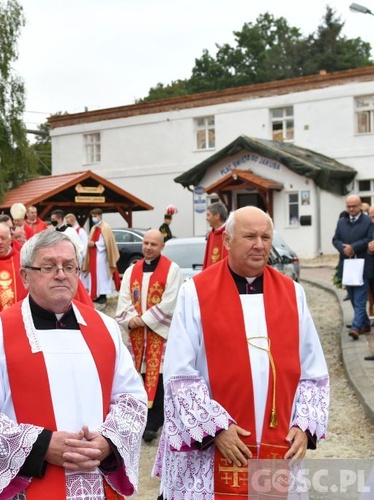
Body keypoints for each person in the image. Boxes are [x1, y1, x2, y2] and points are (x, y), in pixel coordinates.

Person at [0, 230, 148, 499]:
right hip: (30, 483)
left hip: (95, 481)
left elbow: (132, 398)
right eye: (48, 266)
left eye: (69, 266)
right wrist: (41, 445)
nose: (60, 274)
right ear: (24, 276)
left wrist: (108, 442)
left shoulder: (106, 328)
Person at [156, 206, 329, 499]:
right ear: (227, 241)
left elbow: (313, 372)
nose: (259, 245)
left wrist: (304, 427)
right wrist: (215, 430)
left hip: (277, 447)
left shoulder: (292, 293)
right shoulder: (195, 292)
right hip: (216, 449)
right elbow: (180, 374)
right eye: (250, 236)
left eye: (266, 237)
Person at [115, 229, 182, 443]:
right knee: (138, 375)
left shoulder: (172, 270)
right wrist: (131, 319)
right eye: (145, 243)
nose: (148, 247)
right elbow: (124, 299)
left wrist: (144, 320)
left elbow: (170, 302)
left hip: (158, 335)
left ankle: (154, 422)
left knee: (159, 375)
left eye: (154, 244)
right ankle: (140, 419)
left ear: (162, 246)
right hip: (137, 335)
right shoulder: (131, 270)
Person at [332, 194, 373, 340]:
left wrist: (353, 248)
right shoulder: (341, 222)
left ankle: (356, 327)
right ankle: (365, 324)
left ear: (360, 206)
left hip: (362, 264)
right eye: (348, 206)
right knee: (353, 297)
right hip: (347, 265)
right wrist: (343, 249)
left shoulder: (368, 221)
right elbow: (335, 239)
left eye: (354, 206)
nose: (351, 209)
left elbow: (369, 239)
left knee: (360, 297)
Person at [82, 208, 119, 304]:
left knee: (102, 276)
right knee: (95, 276)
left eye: (95, 216)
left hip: (103, 257)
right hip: (94, 256)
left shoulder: (105, 227)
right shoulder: (94, 228)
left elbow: (106, 242)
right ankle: (97, 294)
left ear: (100, 216)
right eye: (93, 216)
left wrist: (95, 244)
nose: (94, 218)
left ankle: (104, 295)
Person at [202, 201, 229, 270]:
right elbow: (206, 260)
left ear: (217, 216)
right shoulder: (211, 234)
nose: (206, 218)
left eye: (208, 215)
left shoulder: (229, 234)